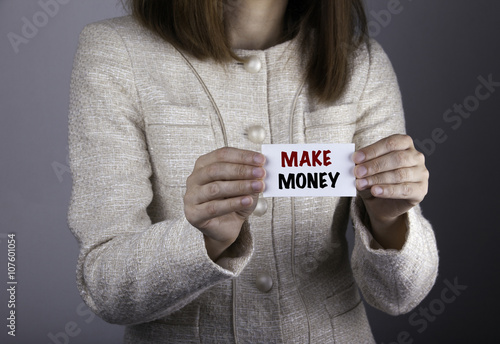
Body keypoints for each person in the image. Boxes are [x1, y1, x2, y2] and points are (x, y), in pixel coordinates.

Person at [67, 0, 439, 343]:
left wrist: (390, 221)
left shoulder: (362, 62)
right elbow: (105, 289)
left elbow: (398, 296)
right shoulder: (115, 51)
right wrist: (203, 241)